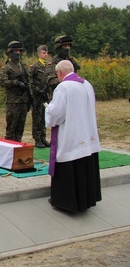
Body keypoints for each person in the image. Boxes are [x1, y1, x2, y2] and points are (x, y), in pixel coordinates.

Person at [45, 60, 101, 212]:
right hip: (86, 132)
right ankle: (86, 199)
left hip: (71, 133)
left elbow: (57, 114)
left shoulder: (63, 87)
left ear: (60, 73)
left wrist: (48, 110)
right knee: (84, 165)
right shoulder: (86, 84)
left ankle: (66, 202)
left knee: (67, 161)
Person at [0, 41, 31, 142]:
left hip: (24, 101)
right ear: (10, 52)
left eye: (19, 51)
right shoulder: (7, 67)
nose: (18, 53)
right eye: (16, 51)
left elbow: (29, 81)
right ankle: (9, 148)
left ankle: (18, 146)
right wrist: (16, 82)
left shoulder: (23, 66)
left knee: (20, 127)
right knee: (11, 127)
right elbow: (2, 82)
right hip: (13, 102)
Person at [29, 45, 51, 148]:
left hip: (45, 96)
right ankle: (37, 138)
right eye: (43, 53)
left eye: (46, 53)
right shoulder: (35, 66)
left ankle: (43, 137)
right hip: (37, 96)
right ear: (38, 54)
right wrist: (38, 90)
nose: (45, 54)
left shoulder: (49, 66)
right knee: (37, 117)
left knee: (44, 117)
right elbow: (30, 81)